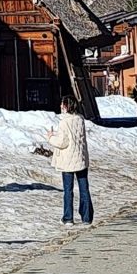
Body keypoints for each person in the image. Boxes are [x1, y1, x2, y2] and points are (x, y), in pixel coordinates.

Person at [47, 95, 93, 225]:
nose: (61, 106)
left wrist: (50, 138)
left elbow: (63, 142)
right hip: (81, 158)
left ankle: (68, 217)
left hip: (67, 159)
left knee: (68, 190)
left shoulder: (64, 121)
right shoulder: (80, 119)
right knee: (84, 188)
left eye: (63, 104)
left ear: (67, 106)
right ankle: (87, 217)